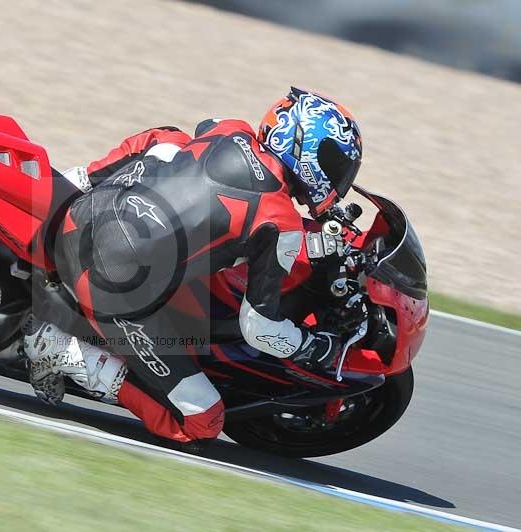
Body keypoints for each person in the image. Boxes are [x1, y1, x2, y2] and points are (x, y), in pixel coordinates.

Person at [23, 87, 363, 452]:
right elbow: (259, 329)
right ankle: (61, 348)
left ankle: (79, 178)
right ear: (307, 149)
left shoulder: (231, 128)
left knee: (171, 139)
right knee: (203, 422)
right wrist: (312, 346)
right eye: (335, 163)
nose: (338, 177)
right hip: (109, 284)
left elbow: (198, 141)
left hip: (81, 217)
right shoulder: (280, 223)